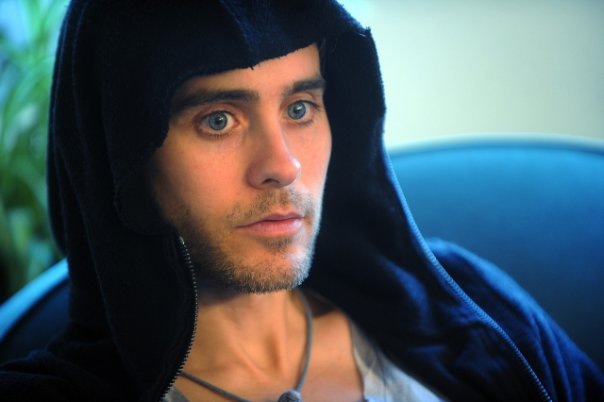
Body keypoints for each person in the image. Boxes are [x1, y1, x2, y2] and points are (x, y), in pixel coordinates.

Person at [1, 1, 602, 401]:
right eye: (218, 119)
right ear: (122, 158)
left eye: (299, 108)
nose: (283, 165)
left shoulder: (466, 304)